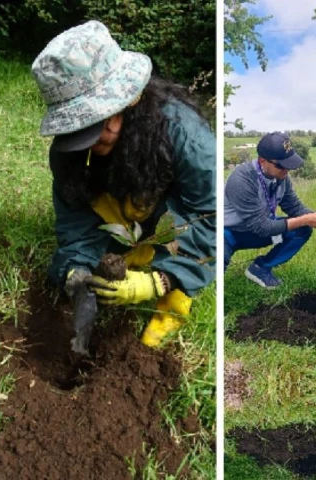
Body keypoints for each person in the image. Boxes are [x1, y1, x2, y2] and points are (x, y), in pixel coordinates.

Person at [31, 21, 216, 347]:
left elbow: (210, 215)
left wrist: (161, 281)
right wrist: (76, 270)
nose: (87, 141)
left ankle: (165, 271)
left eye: (96, 124)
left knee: (166, 309)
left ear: (128, 101)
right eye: (78, 130)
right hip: (125, 219)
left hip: (172, 221)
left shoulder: (187, 139)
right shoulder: (70, 154)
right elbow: (75, 217)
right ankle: (130, 249)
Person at [223, 132, 316, 288]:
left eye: (289, 165)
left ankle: (260, 268)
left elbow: (293, 207)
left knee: (302, 230)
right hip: (228, 233)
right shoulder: (242, 180)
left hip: (255, 233)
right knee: (212, 279)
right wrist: (305, 219)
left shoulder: (282, 178)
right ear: (262, 161)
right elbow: (261, 227)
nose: (286, 170)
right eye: (281, 166)